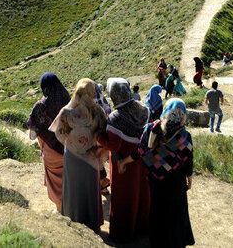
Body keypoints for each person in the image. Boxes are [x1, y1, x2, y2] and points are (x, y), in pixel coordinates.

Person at [117, 98, 194, 247]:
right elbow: (188, 160)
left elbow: (139, 152)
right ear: (183, 114)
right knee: (176, 212)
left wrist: (123, 162)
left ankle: (157, 242)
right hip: (176, 181)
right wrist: (189, 178)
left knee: (157, 210)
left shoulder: (152, 128)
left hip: (156, 180)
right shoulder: (185, 136)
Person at [49, 78, 107, 233]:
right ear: (92, 92)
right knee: (89, 189)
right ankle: (92, 225)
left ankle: (73, 222)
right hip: (90, 156)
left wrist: (72, 143)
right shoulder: (98, 111)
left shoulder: (66, 111)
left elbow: (58, 133)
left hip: (72, 157)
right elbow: (102, 135)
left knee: (73, 189)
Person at [97, 78, 150, 242]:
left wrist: (98, 136)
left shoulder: (115, 118)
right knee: (141, 192)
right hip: (142, 159)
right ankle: (142, 227)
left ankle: (123, 233)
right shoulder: (143, 109)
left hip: (123, 165)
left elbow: (113, 146)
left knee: (125, 196)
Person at [27, 73, 70, 211]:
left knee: (56, 181)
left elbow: (34, 129)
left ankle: (59, 208)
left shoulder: (41, 105)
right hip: (71, 149)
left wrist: (44, 147)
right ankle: (72, 206)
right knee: (70, 178)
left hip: (51, 150)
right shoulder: (69, 100)